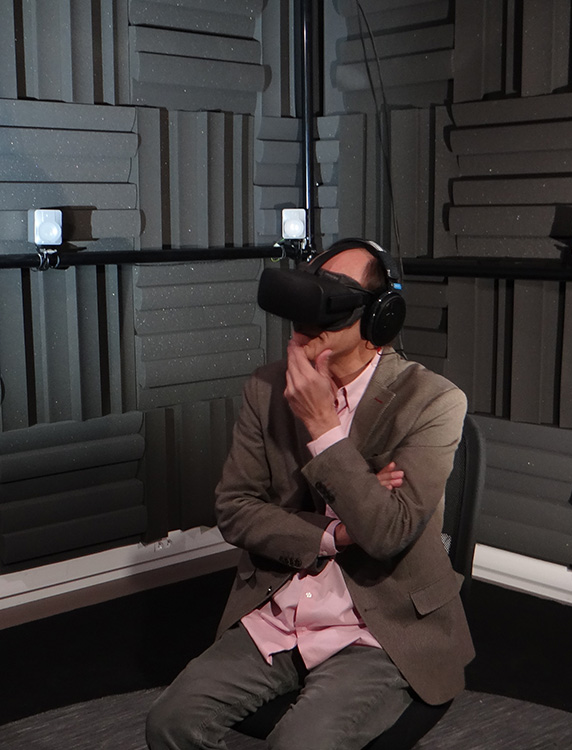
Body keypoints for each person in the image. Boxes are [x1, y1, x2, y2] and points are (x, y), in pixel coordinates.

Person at [145, 239, 472, 750]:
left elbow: (388, 533)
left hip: (377, 628)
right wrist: (338, 531)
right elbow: (236, 510)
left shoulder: (433, 401)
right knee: (169, 723)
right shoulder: (265, 388)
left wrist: (325, 429)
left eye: (330, 301)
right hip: (282, 613)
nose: (305, 315)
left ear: (378, 322)